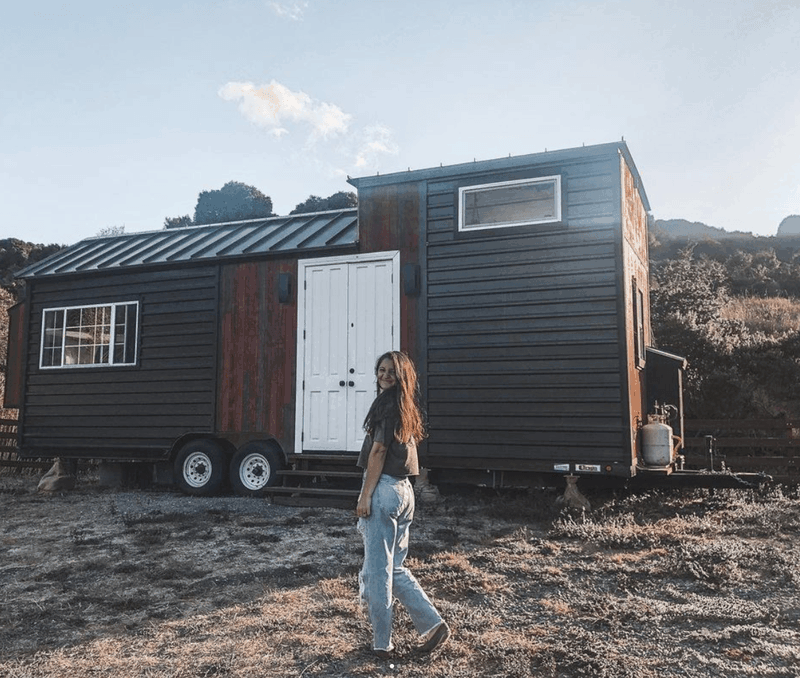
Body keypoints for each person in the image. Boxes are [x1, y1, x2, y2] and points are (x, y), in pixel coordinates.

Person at [356, 350, 451, 659]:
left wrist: (365, 494)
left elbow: (379, 450)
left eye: (391, 371)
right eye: (381, 369)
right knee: (391, 569)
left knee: (380, 572)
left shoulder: (386, 405)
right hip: (404, 492)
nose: (384, 375)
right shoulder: (405, 406)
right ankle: (433, 624)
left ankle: (382, 645)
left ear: (401, 377)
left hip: (384, 490)